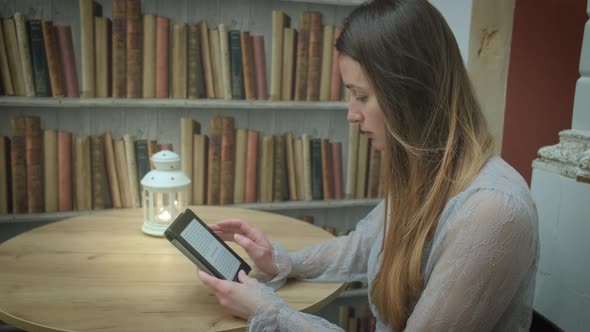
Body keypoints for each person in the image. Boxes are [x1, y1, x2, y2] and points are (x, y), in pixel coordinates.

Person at [198, 0, 539, 330]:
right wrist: (284, 261)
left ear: (411, 94)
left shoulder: (492, 211)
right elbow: (364, 244)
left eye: (361, 96)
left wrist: (269, 313)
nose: (351, 114)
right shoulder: (430, 173)